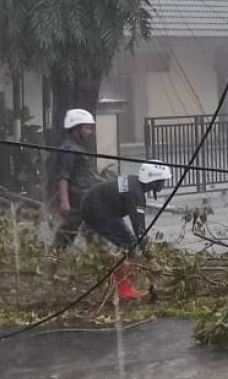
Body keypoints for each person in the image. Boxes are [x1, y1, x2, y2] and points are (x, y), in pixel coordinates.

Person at [80, 162, 172, 300]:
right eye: (163, 181)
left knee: (124, 243)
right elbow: (139, 231)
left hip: (95, 207)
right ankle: (125, 290)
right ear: (154, 181)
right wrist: (152, 261)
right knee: (131, 245)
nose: (164, 184)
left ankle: (117, 281)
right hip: (98, 211)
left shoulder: (134, 182)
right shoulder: (136, 194)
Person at [52, 108, 97, 251]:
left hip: (86, 197)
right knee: (68, 232)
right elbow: (63, 176)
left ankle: (97, 257)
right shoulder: (69, 149)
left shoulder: (79, 147)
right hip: (76, 198)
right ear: (76, 129)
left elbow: (86, 173)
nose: (90, 132)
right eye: (87, 128)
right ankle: (53, 258)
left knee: (93, 229)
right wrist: (64, 201)